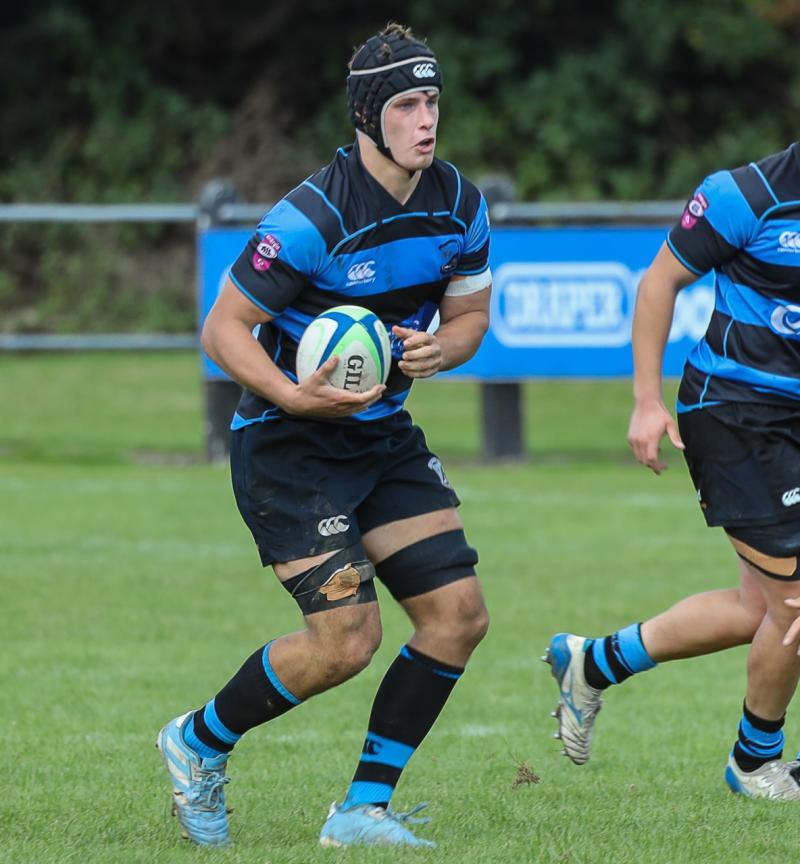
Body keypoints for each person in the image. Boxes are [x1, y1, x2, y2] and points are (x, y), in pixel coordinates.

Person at [156, 23, 493, 848]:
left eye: (433, 102)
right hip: (286, 445)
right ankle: (197, 742)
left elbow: (472, 315)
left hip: (381, 438)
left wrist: (441, 349)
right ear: (368, 117)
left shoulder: (460, 204)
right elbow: (225, 328)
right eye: (408, 104)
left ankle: (361, 811)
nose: (426, 120)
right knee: (347, 642)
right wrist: (292, 396)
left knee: (457, 615)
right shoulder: (313, 216)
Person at [544, 140, 800, 799]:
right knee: (797, 603)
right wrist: (644, 400)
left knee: (757, 609)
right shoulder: (745, 196)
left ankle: (590, 663)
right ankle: (754, 764)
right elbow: (659, 281)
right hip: (734, 414)